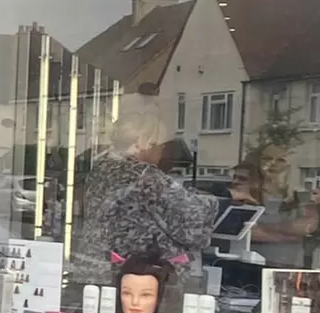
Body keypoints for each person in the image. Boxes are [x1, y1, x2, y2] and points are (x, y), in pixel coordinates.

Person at [69, 102, 215, 290]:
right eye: (160, 145)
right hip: (133, 280)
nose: (162, 152)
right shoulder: (146, 177)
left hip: (94, 269)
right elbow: (194, 227)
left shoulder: (99, 169)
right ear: (142, 142)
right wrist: (213, 200)